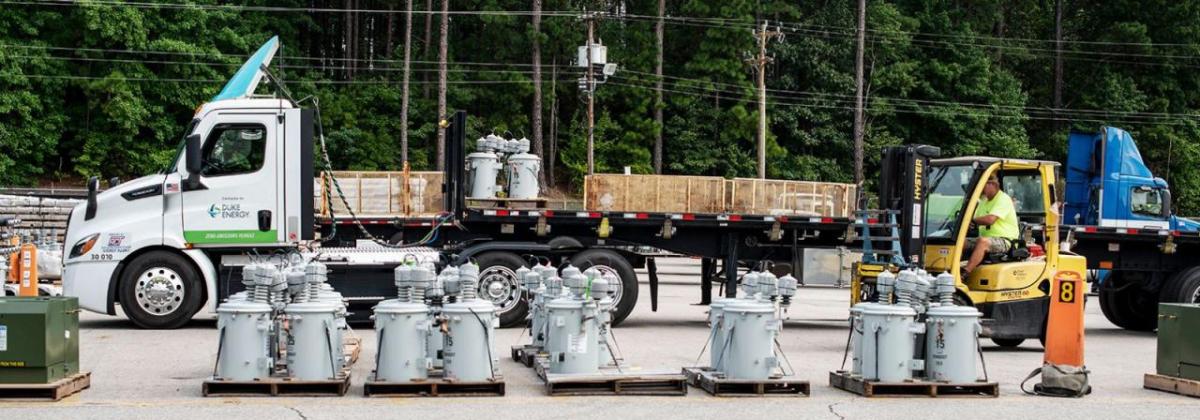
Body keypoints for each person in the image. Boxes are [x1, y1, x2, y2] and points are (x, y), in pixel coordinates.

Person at [964, 174, 1019, 275]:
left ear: (992, 184)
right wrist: (970, 224)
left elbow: (990, 220)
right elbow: (977, 219)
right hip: (987, 238)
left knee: (982, 242)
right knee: (961, 242)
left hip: (1005, 241)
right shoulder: (983, 202)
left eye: (982, 186)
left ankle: (964, 273)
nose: (980, 190)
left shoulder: (1003, 199)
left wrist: (973, 221)